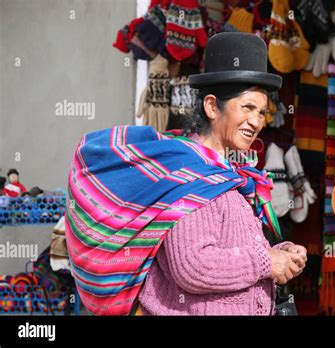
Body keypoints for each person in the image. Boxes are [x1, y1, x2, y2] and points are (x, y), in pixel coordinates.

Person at [65, 32, 307, 316]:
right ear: (212, 106)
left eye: (262, 112)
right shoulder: (192, 177)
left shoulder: (225, 174)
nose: (256, 122)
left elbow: (229, 249)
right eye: (248, 108)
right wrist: (267, 261)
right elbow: (192, 265)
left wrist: (282, 254)